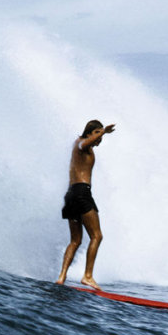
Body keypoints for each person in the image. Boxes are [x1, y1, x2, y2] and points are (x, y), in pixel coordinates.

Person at [55, 119, 116, 290]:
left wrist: (102, 133)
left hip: (71, 195)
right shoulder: (82, 144)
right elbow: (85, 144)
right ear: (89, 133)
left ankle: (61, 277)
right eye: (97, 134)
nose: (100, 139)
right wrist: (104, 131)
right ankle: (87, 276)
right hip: (81, 193)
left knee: (75, 241)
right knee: (97, 236)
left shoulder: (80, 145)